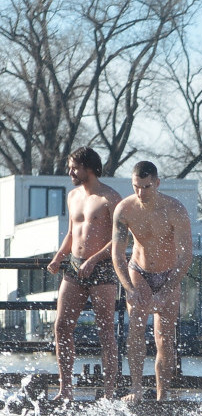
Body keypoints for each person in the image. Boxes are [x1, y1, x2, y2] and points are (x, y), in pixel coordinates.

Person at [45, 147, 123, 401]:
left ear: (89, 168)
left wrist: (95, 259)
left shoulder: (110, 198)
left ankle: (109, 392)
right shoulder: (73, 196)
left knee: (105, 331)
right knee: (62, 326)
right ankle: (65, 388)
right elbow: (71, 232)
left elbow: (121, 239)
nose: (70, 172)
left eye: (74, 168)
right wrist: (59, 257)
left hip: (102, 268)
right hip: (75, 266)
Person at [111, 161, 193, 402]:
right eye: (136, 186)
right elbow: (117, 254)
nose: (141, 192)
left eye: (146, 187)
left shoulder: (175, 209)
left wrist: (167, 290)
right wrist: (127, 287)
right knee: (136, 327)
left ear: (157, 183)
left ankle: (162, 394)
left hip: (169, 273)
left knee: (164, 336)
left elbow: (186, 255)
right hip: (139, 269)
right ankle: (136, 387)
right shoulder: (124, 210)